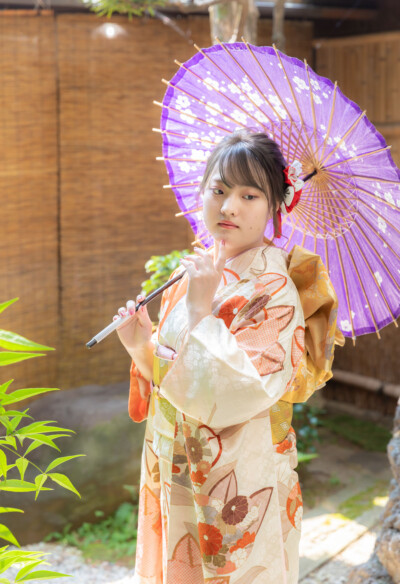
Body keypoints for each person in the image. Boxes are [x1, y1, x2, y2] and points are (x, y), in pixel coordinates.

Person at [114, 129, 344, 584]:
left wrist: (201, 312)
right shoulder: (194, 272)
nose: (229, 206)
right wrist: (140, 344)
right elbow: (171, 378)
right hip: (174, 461)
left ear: (276, 206)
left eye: (249, 195)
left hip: (238, 478)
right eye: (218, 190)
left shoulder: (274, 291)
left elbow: (242, 392)